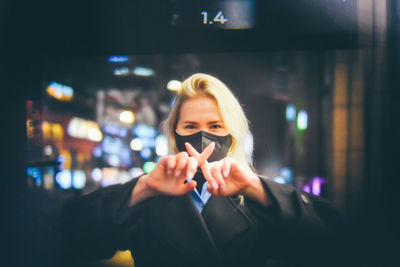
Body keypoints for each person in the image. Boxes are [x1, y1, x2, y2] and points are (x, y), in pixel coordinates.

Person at [60, 73, 342, 267]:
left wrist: (257, 188)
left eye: (215, 126)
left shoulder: (257, 199)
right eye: (191, 127)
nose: (203, 137)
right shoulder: (149, 196)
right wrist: (143, 187)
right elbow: (72, 237)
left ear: (233, 133)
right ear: (175, 133)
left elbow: (334, 244)